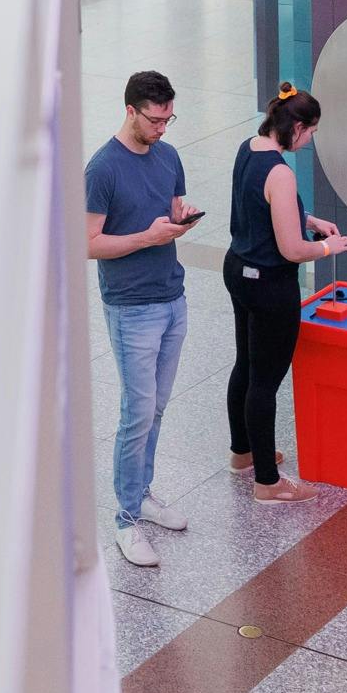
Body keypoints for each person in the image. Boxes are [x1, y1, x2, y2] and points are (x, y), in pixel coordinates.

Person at [84, 71, 200, 569]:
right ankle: (126, 519)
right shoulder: (102, 170)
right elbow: (88, 243)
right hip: (131, 306)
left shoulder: (168, 156)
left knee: (156, 409)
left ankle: (143, 493)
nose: (162, 130)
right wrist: (146, 238)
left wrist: (180, 218)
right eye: (155, 120)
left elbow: (169, 210)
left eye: (169, 119)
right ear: (130, 110)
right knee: (137, 412)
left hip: (172, 296)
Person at [225, 83, 347, 502]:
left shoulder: (249, 147)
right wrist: (326, 246)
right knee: (265, 382)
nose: (311, 141)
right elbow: (290, 249)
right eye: (311, 132)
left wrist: (310, 220)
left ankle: (243, 453)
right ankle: (268, 483)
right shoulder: (281, 172)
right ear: (296, 127)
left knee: (245, 364)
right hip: (270, 285)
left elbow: (262, 209)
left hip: (238, 271)